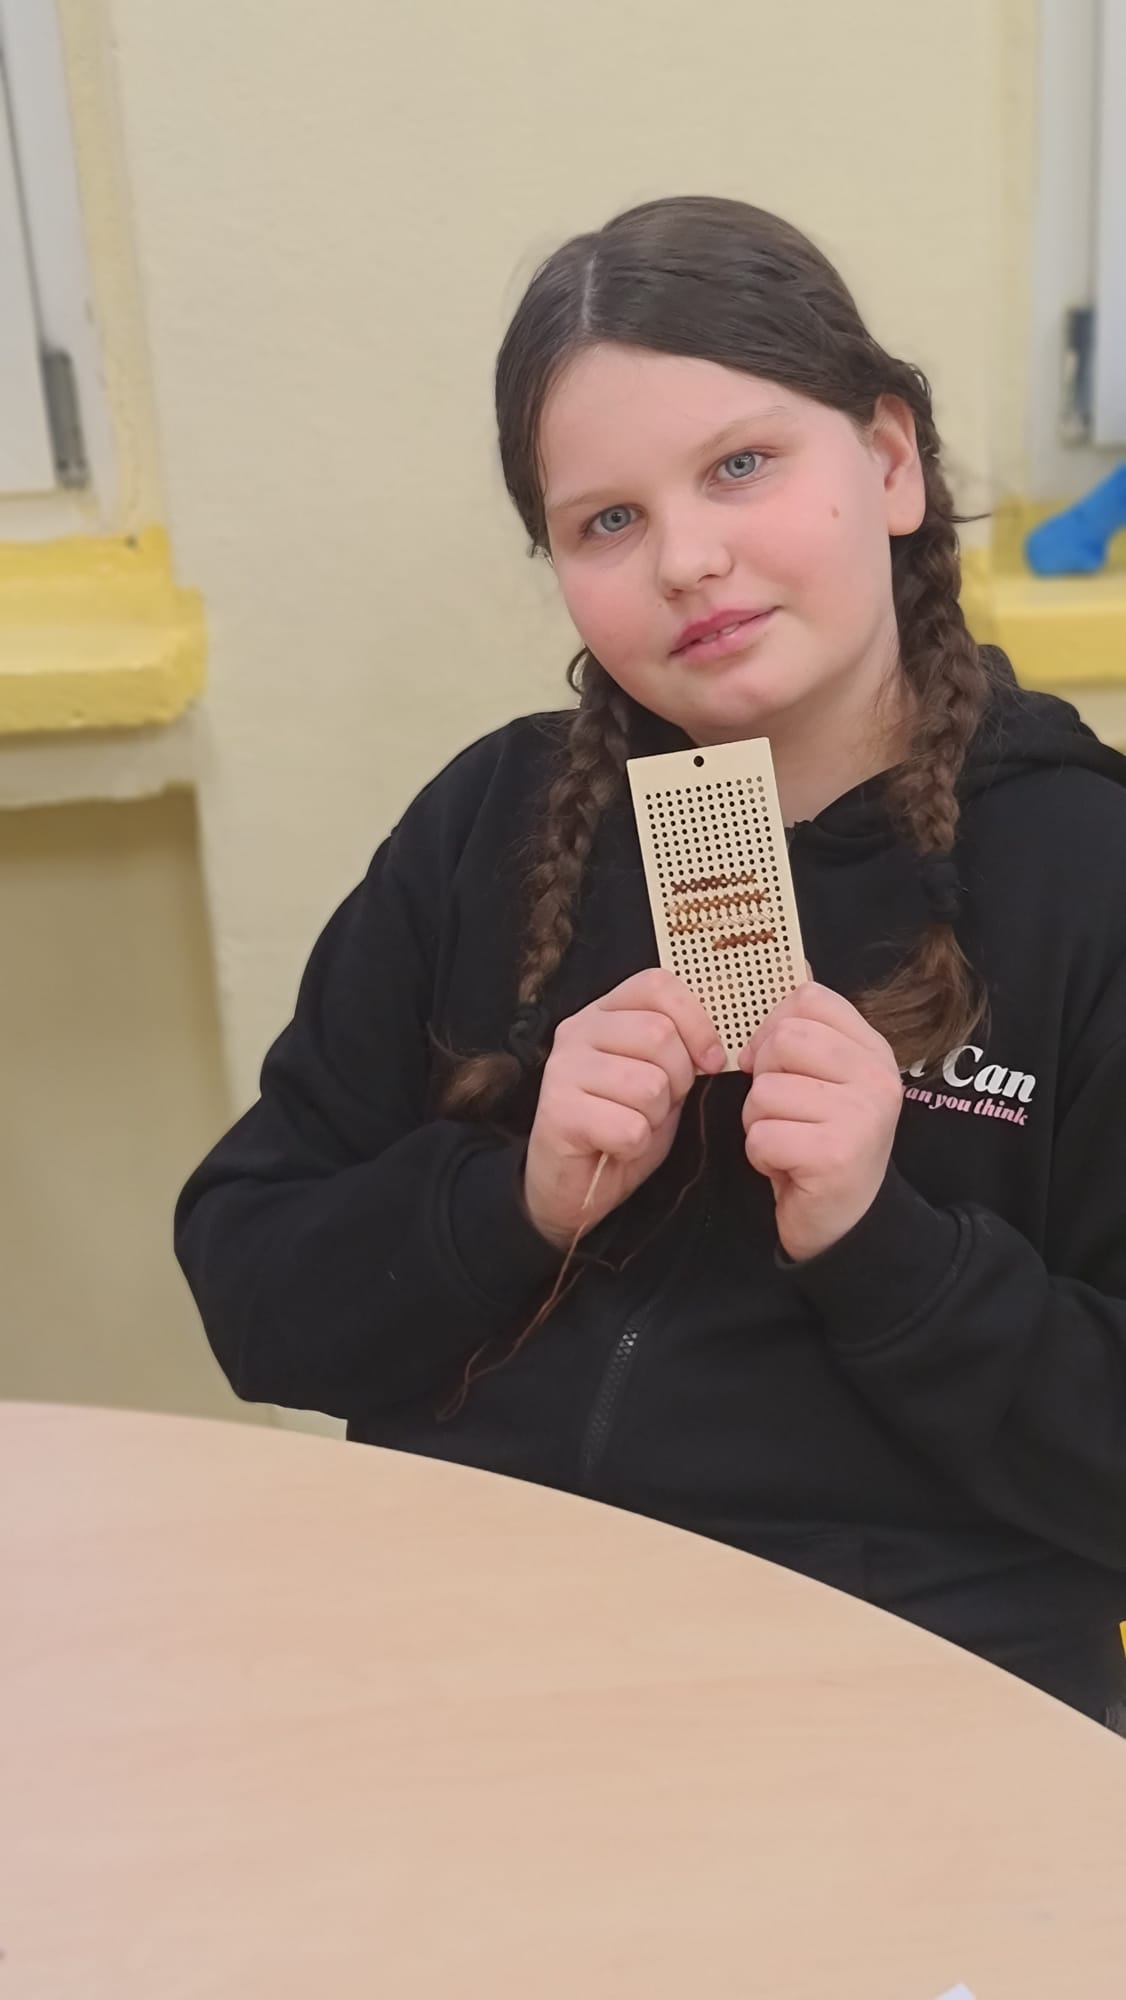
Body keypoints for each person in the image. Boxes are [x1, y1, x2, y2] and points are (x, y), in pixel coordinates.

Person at [175, 196, 1126, 1726]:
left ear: (888, 462)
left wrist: (885, 1247)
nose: (686, 558)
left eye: (741, 465)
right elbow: (253, 1289)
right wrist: (520, 1199)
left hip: (904, 1690)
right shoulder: (490, 822)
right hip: (472, 1638)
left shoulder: (1088, 873)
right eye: (605, 521)